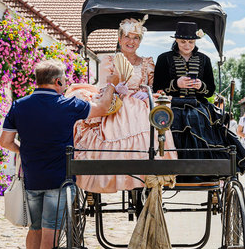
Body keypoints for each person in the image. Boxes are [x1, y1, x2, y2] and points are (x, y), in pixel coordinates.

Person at [0, 59, 119, 249]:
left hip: (32, 177)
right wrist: (112, 85)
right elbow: (104, 108)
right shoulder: (68, 104)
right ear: (58, 81)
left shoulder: (19, 106)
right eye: (64, 80)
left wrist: (25, 151)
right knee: (50, 231)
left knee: (35, 229)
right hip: (60, 178)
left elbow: (5, 142)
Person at [68, 16, 177, 193]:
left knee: (153, 112)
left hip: (141, 103)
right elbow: (104, 87)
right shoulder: (110, 61)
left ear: (140, 41)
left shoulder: (147, 62)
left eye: (135, 38)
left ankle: (147, 172)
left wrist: (146, 92)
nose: (131, 41)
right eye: (127, 37)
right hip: (115, 102)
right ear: (120, 39)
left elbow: (153, 87)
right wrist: (116, 88)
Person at [153, 21, 245, 179]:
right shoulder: (164, 58)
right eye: (183, 41)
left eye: (190, 41)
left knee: (198, 119)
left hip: (197, 104)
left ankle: (201, 171)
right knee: (174, 121)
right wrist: (176, 84)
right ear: (176, 40)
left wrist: (200, 86)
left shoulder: (204, 59)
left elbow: (211, 89)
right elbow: (156, 87)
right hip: (171, 104)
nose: (187, 45)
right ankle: (172, 170)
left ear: (195, 41)